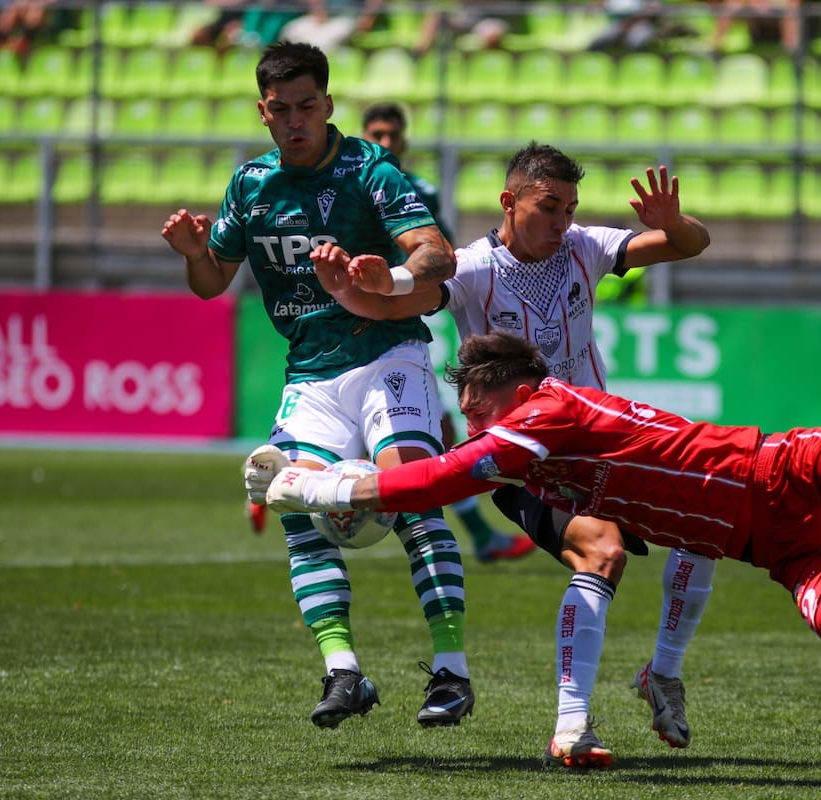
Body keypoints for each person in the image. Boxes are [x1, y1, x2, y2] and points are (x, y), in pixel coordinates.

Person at [267, 332, 821, 741]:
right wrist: (347, 494)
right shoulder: (526, 448)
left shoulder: (544, 412)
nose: (468, 413)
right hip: (782, 548)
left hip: (781, 470)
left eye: (473, 398)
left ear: (503, 387)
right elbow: (444, 490)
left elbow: (437, 478)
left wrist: (320, 482)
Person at [306, 143, 715, 768]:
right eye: (549, 207)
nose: (562, 222)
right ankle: (572, 726)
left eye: (570, 208)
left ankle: (662, 672)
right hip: (522, 457)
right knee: (601, 552)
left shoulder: (585, 246)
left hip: (599, 442)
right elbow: (395, 301)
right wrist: (360, 284)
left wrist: (673, 221)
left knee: (706, 519)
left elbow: (689, 246)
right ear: (509, 202)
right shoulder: (472, 269)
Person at [160, 41, 476, 732]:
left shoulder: (368, 168)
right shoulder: (250, 185)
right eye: (281, 110)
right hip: (311, 372)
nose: (295, 120)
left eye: (307, 106)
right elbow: (213, 282)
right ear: (263, 112)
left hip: (386, 354)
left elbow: (437, 254)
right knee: (292, 504)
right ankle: (344, 671)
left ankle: (451, 673)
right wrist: (194, 257)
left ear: (328, 105)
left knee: (415, 491)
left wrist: (385, 278)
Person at [360, 100, 536, 564]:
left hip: (404, 320)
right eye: (375, 134)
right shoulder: (350, 187)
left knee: (434, 428)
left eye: (392, 135)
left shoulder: (423, 192)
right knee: (395, 432)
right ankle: (282, 486)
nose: (384, 143)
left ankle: (478, 536)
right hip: (357, 321)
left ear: (405, 140)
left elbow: (441, 254)